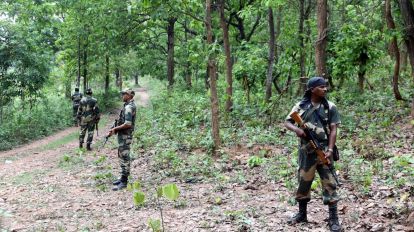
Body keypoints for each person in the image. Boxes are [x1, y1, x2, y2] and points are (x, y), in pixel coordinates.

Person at [284, 77, 342, 232]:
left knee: (329, 183)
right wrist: (297, 130)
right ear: (312, 89)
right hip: (306, 152)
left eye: (325, 87)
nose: (325, 89)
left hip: (324, 151)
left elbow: (334, 130)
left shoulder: (330, 107)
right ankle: (302, 214)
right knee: (303, 182)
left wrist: (330, 150)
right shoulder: (301, 106)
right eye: (321, 87)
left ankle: (334, 220)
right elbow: (287, 121)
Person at [107, 89, 137, 191]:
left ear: (129, 96)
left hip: (125, 136)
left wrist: (115, 129)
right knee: (121, 155)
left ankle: (124, 182)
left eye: (124, 94)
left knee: (124, 157)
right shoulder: (127, 105)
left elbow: (128, 123)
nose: (122, 96)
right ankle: (123, 178)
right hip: (123, 135)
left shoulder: (129, 107)